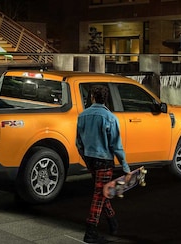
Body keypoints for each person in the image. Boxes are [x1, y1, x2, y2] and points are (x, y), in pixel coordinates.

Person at [76, 85, 132, 243]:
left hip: (90, 159)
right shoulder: (110, 118)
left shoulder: (82, 116)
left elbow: (78, 142)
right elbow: (116, 146)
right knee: (99, 195)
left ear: (92, 97)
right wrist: (126, 168)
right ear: (106, 98)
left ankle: (113, 222)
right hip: (105, 161)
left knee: (102, 192)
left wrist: (86, 158)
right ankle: (90, 231)